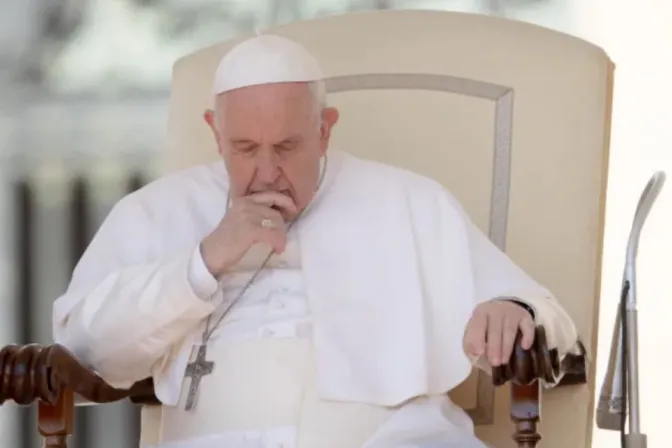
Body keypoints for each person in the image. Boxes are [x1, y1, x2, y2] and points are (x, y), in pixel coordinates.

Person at [53, 35, 581, 448]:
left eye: (287, 146)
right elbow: (84, 347)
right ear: (215, 132)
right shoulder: (156, 211)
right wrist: (203, 261)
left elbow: (546, 316)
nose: (266, 173)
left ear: (325, 129)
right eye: (243, 148)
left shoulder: (408, 201)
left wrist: (513, 310)